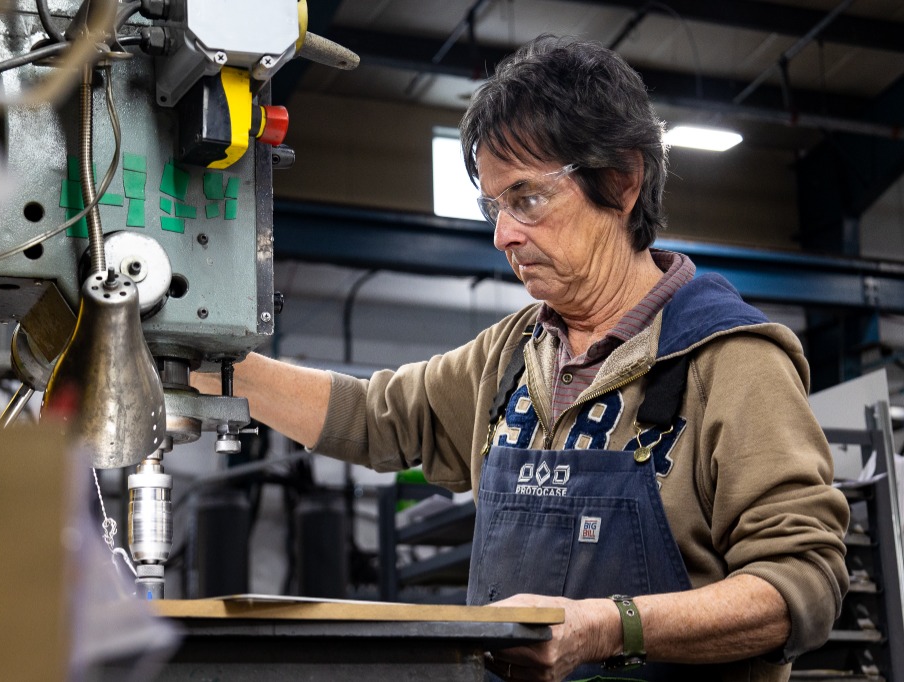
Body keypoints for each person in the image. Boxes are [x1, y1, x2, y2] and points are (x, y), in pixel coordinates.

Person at [193, 36, 849, 681]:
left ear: (620, 183)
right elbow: (370, 415)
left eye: (527, 200)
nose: (503, 234)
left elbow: (801, 584)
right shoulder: (509, 355)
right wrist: (200, 360)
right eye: (493, 207)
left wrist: (607, 627)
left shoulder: (730, 360)